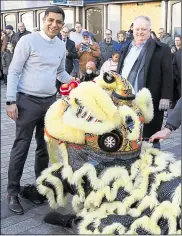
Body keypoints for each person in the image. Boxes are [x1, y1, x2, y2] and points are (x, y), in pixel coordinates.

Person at [6, 6, 77, 215]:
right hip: (26, 102)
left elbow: (60, 72)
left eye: (59, 22)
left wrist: (77, 83)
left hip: (50, 103)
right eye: (51, 20)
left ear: (63, 26)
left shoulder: (60, 45)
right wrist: (10, 101)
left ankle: (39, 189)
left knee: (44, 148)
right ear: (43, 20)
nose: (54, 25)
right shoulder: (28, 41)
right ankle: (12, 192)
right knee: (21, 147)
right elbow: (14, 70)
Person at [117, 16, 173, 149]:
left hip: (150, 99)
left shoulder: (162, 48)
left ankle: (152, 164)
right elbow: (120, 73)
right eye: (137, 29)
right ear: (132, 30)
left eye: (144, 29)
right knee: (126, 133)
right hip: (125, 100)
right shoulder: (126, 49)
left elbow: (168, 74)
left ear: (149, 30)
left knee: (150, 137)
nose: (140, 32)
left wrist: (166, 96)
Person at [56, 26, 78, 92]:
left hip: (67, 66)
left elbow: (75, 55)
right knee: (57, 84)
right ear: (61, 32)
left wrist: (68, 53)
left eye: (66, 32)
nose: (65, 34)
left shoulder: (72, 43)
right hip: (57, 65)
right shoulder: (55, 40)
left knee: (65, 86)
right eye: (63, 32)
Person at [172, 39, 181, 105]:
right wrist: (177, 76)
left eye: (178, 40)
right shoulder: (176, 53)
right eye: (176, 40)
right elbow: (173, 66)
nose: (176, 42)